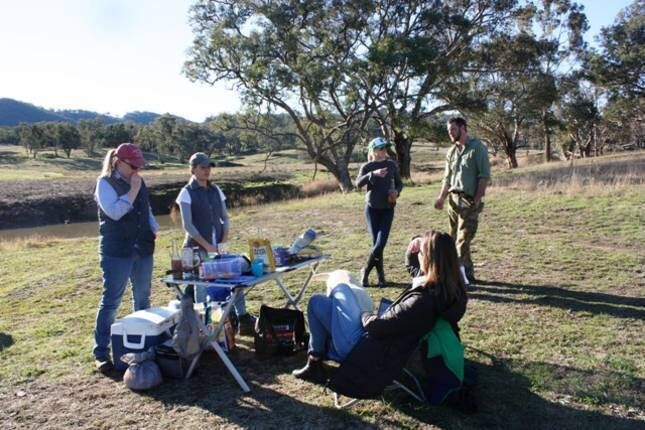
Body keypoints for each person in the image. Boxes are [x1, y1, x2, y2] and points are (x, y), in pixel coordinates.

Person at [292, 230, 467, 394]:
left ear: (429, 259)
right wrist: (414, 246)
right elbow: (415, 272)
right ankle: (315, 361)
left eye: (420, 253)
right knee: (317, 302)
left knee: (341, 288)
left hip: (367, 351)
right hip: (380, 342)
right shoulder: (448, 290)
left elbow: (376, 327)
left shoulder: (422, 301)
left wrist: (366, 314)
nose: (418, 256)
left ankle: (331, 347)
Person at [93, 143, 159, 373]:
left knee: (142, 298)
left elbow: (146, 208)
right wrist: (131, 190)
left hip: (142, 248)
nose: (136, 170)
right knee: (111, 300)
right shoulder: (105, 184)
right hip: (117, 251)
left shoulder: (138, 181)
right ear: (117, 162)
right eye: (132, 166)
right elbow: (115, 212)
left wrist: (153, 226)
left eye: (138, 166)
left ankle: (144, 347)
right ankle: (101, 352)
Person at [175, 152, 255, 335]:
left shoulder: (216, 190)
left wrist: (223, 242)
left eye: (209, 167)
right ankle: (204, 326)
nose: (207, 170)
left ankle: (242, 318)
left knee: (234, 278)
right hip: (196, 250)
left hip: (219, 245)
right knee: (201, 285)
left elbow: (225, 218)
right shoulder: (186, 193)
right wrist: (208, 247)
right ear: (193, 169)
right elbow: (188, 226)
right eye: (203, 167)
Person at [434, 117, 491, 285]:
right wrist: (441, 198)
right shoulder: (451, 152)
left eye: (453, 130)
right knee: (453, 241)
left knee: (462, 240)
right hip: (453, 200)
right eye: (448, 131)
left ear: (463, 128)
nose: (450, 133)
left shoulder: (477, 148)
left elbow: (484, 176)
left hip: (468, 201)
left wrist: (476, 199)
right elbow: (447, 178)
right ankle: (468, 275)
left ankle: (459, 280)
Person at [355, 137, 403, 287]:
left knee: (379, 244)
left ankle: (365, 271)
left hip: (388, 209)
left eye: (384, 148)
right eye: (380, 148)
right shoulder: (367, 167)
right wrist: (373, 174)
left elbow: (400, 184)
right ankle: (381, 277)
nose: (383, 151)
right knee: (377, 245)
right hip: (372, 209)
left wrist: (396, 192)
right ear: (373, 151)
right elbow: (357, 184)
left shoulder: (391, 165)